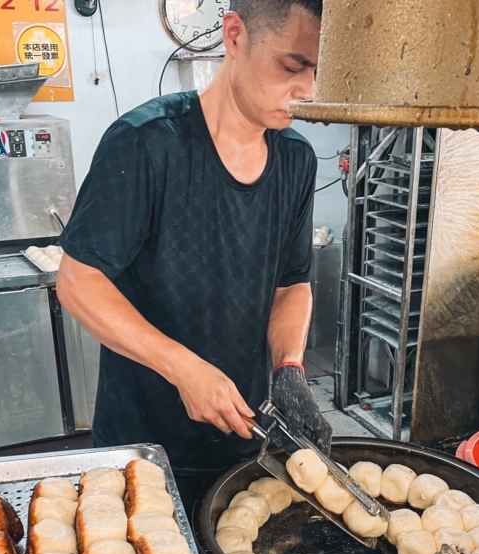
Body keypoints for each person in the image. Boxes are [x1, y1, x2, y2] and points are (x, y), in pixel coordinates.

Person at [57, 0, 331, 514]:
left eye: (319, 72)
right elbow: (78, 281)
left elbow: (291, 285)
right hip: (146, 445)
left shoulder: (296, 159)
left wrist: (289, 368)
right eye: (293, 67)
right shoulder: (146, 144)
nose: (308, 91)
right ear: (234, 36)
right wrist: (184, 369)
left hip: (247, 438)